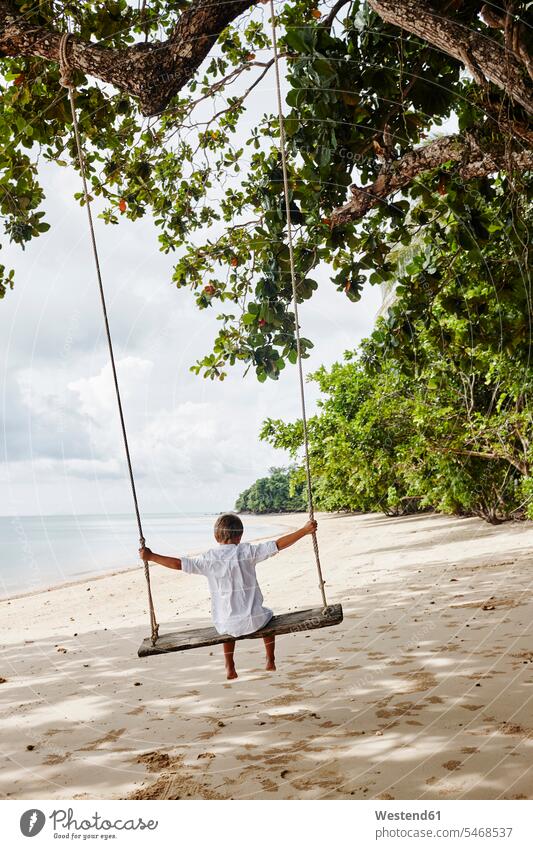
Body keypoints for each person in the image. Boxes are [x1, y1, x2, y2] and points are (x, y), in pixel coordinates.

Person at [139, 513, 318, 680]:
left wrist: (151, 556)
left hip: (226, 624)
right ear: (239, 537)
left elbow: (179, 564)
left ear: (216, 537)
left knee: (225, 626)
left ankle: (230, 665)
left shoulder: (208, 560)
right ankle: (270, 660)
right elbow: (278, 545)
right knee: (268, 616)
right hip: (255, 621)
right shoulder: (247, 552)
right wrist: (304, 530)